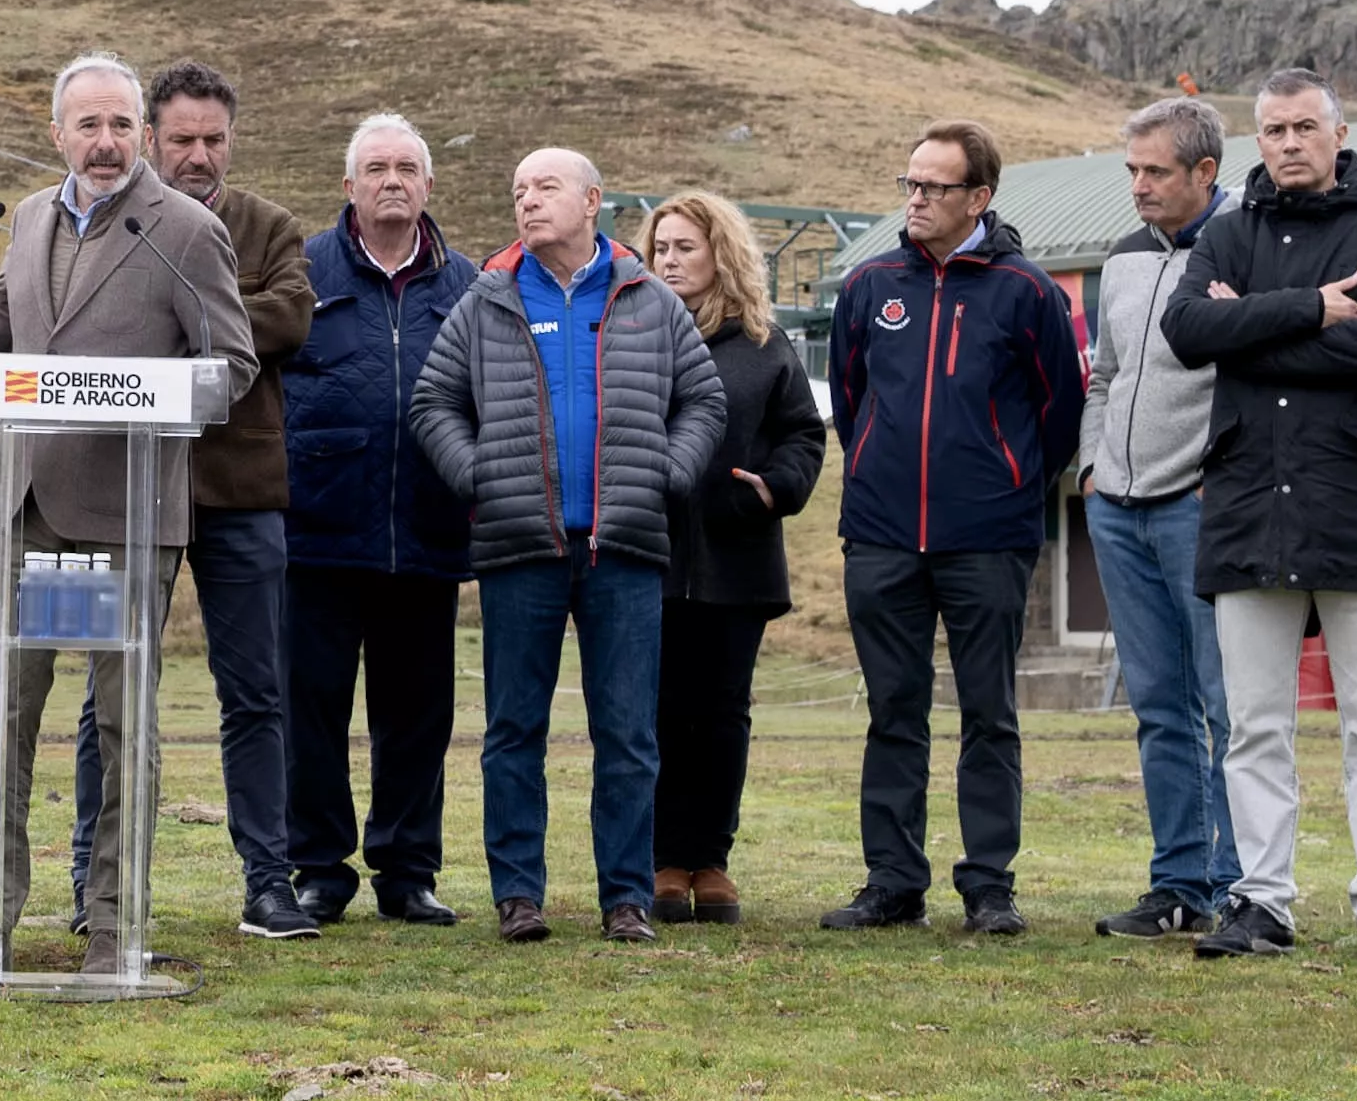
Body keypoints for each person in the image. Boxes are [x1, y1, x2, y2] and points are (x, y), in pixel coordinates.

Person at [0, 53, 257, 976]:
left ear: (142, 132)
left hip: (124, 515)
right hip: (24, 510)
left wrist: (129, 396)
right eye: (87, 126)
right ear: (56, 132)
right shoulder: (24, 218)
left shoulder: (184, 229)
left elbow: (233, 366)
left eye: (121, 125)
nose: (105, 143)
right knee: (3, 717)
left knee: (121, 725)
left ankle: (111, 926)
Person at [413, 148, 723, 944]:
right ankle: (519, 894)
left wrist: (668, 473)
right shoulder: (489, 298)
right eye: (518, 188)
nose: (527, 200)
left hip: (623, 548)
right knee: (514, 730)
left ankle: (627, 897)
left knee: (628, 732)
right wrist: (479, 475)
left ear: (593, 201)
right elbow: (433, 403)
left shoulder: (649, 298)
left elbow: (703, 400)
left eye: (544, 187)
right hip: (520, 548)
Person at [1163, 70, 1357, 963]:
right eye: (1272, 128)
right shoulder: (1227, 234)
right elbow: (1189, 332)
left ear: (1339, 133)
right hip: (1248, 505)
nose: (1287, 141)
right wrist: (1314, 309)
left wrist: (1255, 332)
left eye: (1303, 126)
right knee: (1255, 722)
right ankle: (1263, 901)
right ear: (1257, 140)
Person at [65, 60, 319, 940]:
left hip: (243, 493)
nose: (199, 155)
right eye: (182, 139)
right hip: (125, 489)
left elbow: (290, 319)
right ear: (149, 136)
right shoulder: (103, 221)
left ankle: (267, 883)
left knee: (256, 692)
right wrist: (209, 314)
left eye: (214, 139)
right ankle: (92, 885)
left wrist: (177, 312)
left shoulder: (273, 225)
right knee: (111, 688)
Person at [823, 119, 1087, 938]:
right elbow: (851, 397)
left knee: (988, 714)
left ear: (979, 196)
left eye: (935, 187)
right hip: (882, 535)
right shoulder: (869, 286)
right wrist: (879, 470)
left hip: (988, 539)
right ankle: (893, 882)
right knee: (892, 711)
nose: (917, 200)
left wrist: (1003, 482)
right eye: (910, 183)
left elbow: (1059, 413)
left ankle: (989, 886)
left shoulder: (1029, 292)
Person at [280, 114, 480, 926]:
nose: (391, 179)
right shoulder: (300, 271)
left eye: (406, 167)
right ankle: (319, 868)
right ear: (349, 185)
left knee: (417, 715)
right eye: (376, 167)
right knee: (312, 710)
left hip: (428, 532)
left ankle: (407, 869)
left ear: (428, 185)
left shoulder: (468, 283)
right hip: (316, 533)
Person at [1076, 95, 1243, 942]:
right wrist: (1092, 465)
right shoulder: (1124, 258)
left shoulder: (1244, 246)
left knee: (1226, 704)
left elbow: (1254, 374)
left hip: (1200, 508)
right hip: (1119, 510)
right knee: (1159, 707)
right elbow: (1104, 375)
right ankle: (1178, 881)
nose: (1138, 186)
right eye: (1132, 170)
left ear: (1205, 171)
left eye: (1156, 171)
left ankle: (1240, 886)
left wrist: (1226, 476)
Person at [640, 190, 823, 927]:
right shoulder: (628, 335)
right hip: (646, 557)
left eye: (686, 246)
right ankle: (660, 861)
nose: (671, 260)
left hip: (736, 560)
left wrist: (773, 490)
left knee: (720, 715)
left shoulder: (764, 343)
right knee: (652, 713)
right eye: (661, 248)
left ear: (723, 253)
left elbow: (805, 437)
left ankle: (709, 860)